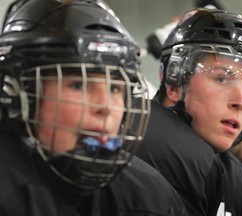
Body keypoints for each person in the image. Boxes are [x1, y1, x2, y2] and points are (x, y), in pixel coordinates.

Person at [0, 0, 188, 215]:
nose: (106, 106)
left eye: (116, 89)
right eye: (79, 85)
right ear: (13, 92)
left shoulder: (149, 193)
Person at [136, 8, 242, 216]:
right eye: (221, 79)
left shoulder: (232, 174)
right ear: (174, 84)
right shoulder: (164, 150)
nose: (240, 102)